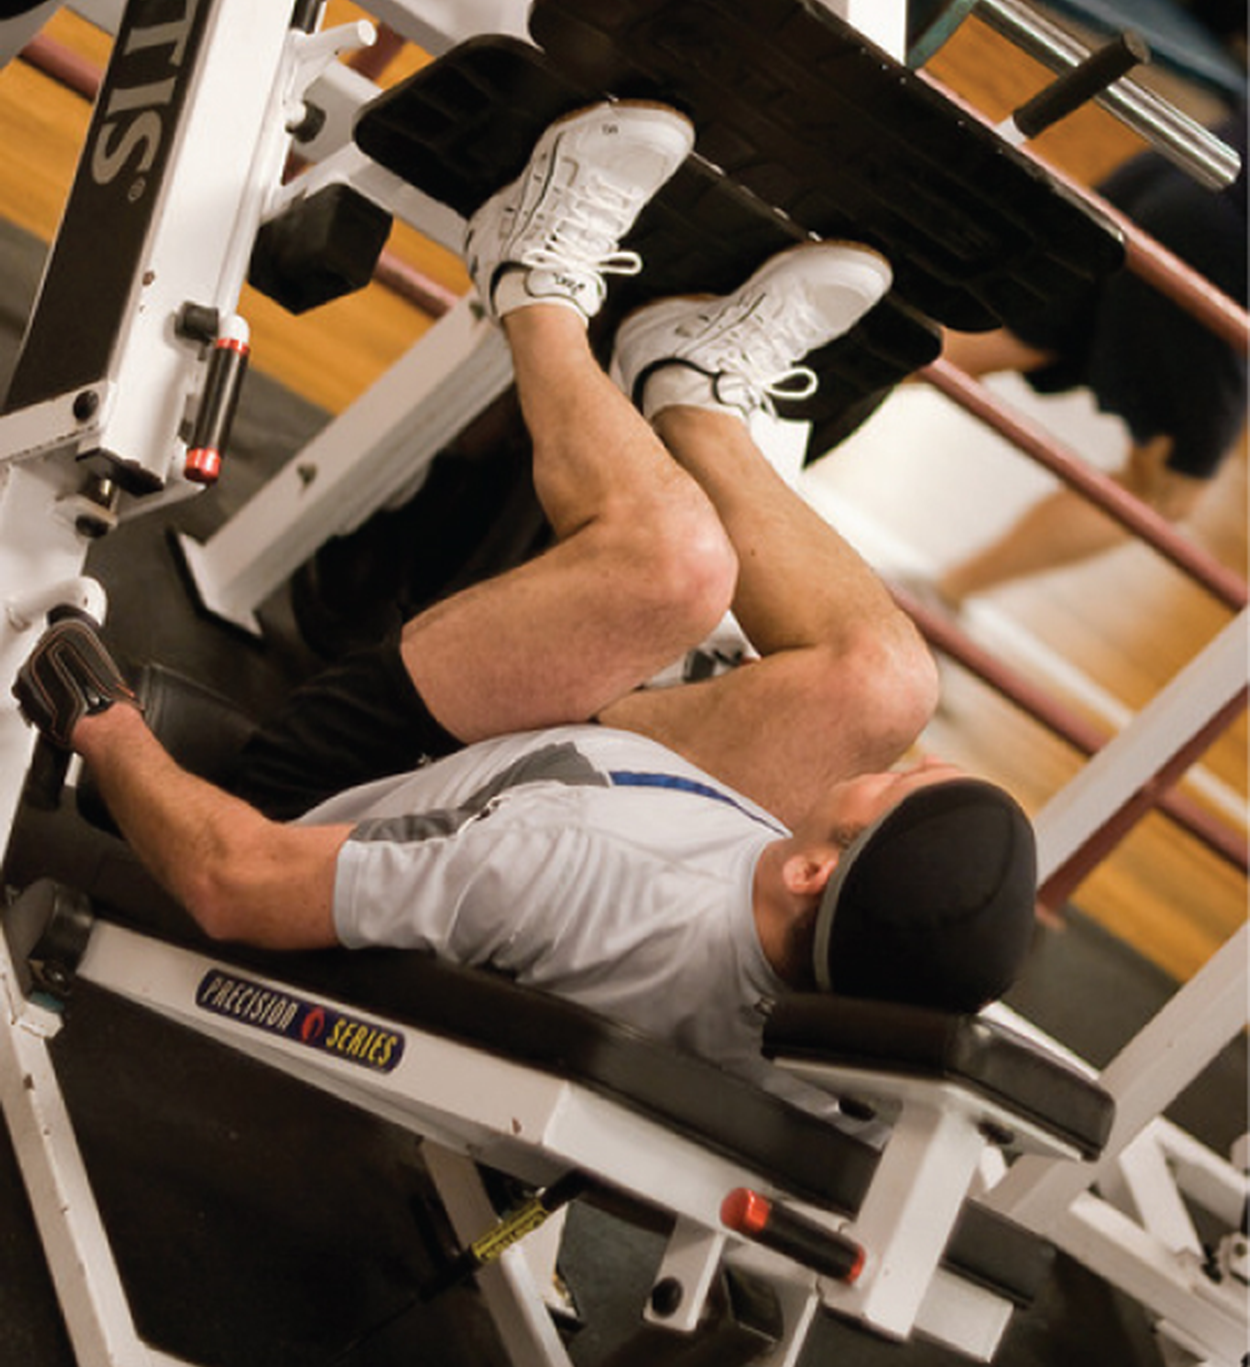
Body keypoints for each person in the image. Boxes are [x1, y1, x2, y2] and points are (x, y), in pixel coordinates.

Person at [12, 100, 1036, 1107]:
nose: (915, 769)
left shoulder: (565, 868)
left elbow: (235, 879)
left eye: (899, 792)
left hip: (382, 789)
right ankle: (688, 385)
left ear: (814, 873)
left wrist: (99, 719)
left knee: (672, 567)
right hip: (600, 794)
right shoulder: (836, 1012)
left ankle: (526, 273)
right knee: (882, 685)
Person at [929, 105, 1248, 610]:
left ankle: (773, 375)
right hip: (1222, 234)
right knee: (1168, 489)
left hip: (1185, 161)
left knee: (1005, 338)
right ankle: (944, 594)